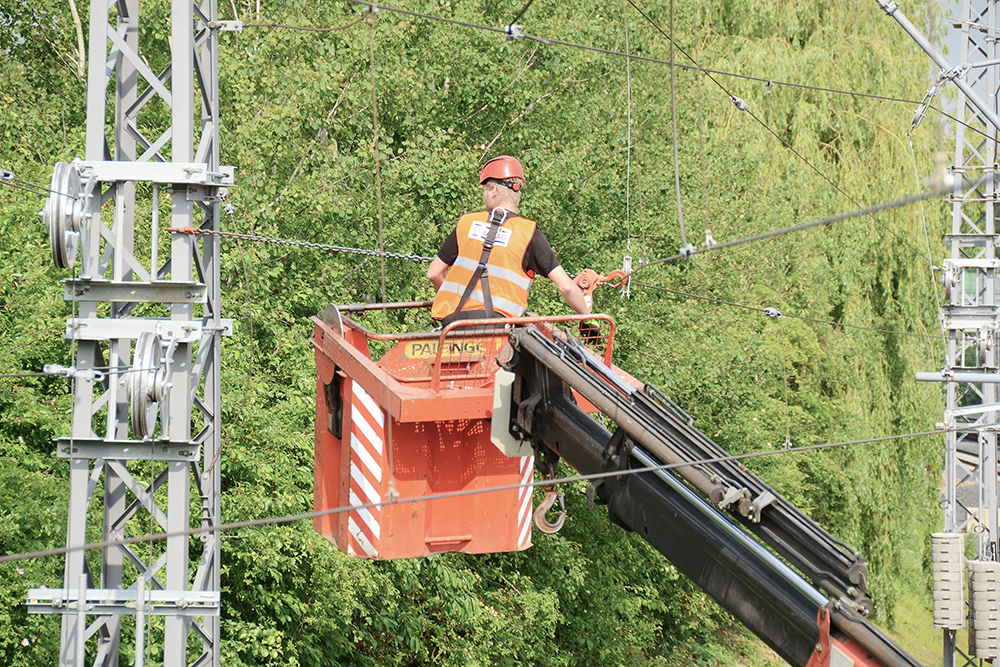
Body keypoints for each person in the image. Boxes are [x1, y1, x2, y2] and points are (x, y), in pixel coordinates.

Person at [427, 156, 590, 324]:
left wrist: (459, 299)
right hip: (498, 333)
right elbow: (567, 287)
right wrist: (588, 317)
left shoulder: (467, 223)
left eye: (484, 191)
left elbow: (433, 273)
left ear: (493, 191)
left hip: (453, 326)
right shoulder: (529, 234)